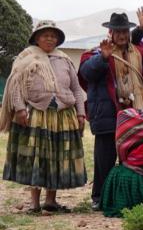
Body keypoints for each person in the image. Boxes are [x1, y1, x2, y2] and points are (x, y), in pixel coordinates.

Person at [79, 12, 143, 210]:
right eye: (117, 31)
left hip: (136, 115)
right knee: (105, 160)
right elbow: (86, 74)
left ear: (129, 32)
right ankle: (100, 197)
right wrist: (102, 58)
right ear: (110, 32)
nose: (121, 35)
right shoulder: (94, 53)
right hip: (108, 115)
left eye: (124, 31)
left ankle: (130, 196)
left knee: (135, 158)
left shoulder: (139, 52)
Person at [1, 21, 87, 213]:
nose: (50, 38)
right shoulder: (26, 58)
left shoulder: (64, 60)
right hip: (37, 114)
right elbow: (15, 86)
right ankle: (34, 202)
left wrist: (81, 113)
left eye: (53, 35)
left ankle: (51, 201)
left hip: (63, 116)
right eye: (45, 34)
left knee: (57, 156)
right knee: (37, 157)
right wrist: (20, 109)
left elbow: (76, 89)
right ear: (36, 38)